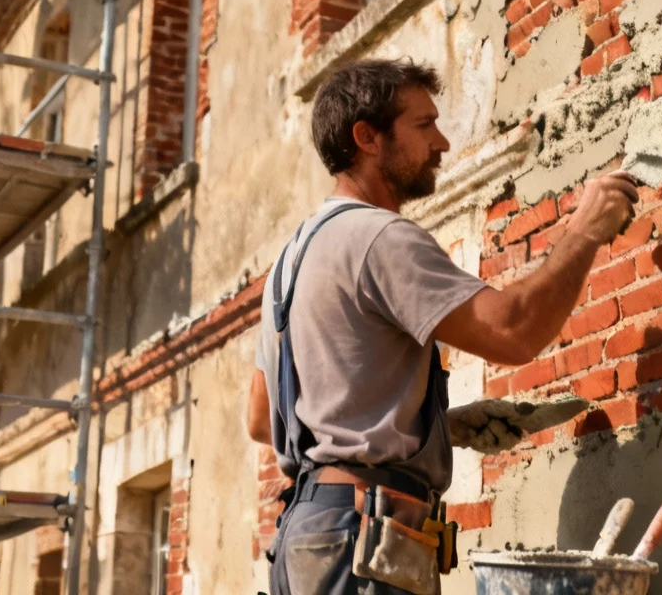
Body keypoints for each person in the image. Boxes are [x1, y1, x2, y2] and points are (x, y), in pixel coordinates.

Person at [245, 57, 638, 595]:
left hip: (309, 536)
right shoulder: (378, 237)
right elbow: (512, 330)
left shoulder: (290, 261)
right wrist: (585, 231)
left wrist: (439, 427)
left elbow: (261, 417)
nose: (443, 143)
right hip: (363, 540)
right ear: (368, 137)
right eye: (424, 125)